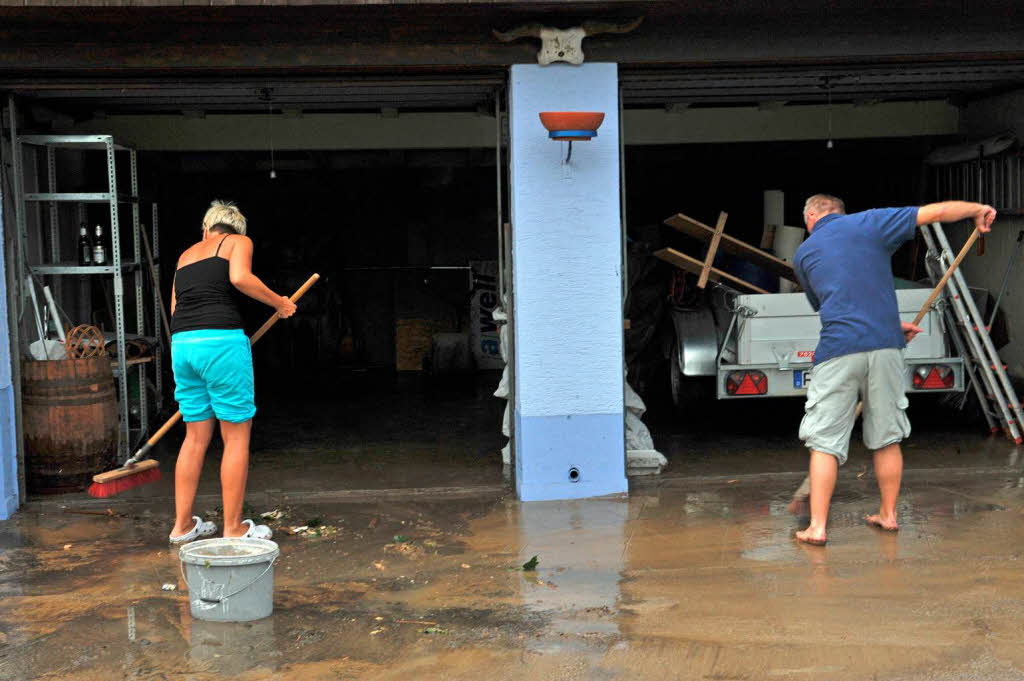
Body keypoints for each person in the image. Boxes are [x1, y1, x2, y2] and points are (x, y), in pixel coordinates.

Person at [792, 195, 996, 546]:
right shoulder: (871, 221)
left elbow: (834, 301)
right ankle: (888, 515)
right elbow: (938, 212)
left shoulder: (804, 254)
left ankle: (818, 528)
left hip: (839, 349)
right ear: (841, 211)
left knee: (824, 443)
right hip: (885, 345)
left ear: (811, 216)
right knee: (887, 437)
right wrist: (976, 210)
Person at [168, 200, 297, 543]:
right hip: (221, 343)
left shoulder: (185, 255)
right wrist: (279, 303)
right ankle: (233, 529)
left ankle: (181, 527)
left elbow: (176, 307)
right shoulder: (238, 242)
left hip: (182, 346)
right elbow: (240, 277)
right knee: (236, 435)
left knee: (195, 437)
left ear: (206, 229)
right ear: (235, 229)